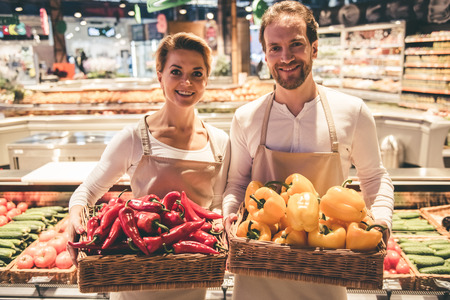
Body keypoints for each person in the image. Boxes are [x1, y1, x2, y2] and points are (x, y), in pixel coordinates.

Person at [222, 2, 394, 300]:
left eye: (296, 45)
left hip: (324, 277)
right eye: (274, 48)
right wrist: (227, 216)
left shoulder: (352, 112)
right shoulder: (246, 117)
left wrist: (381, 221)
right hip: (255, 278)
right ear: (264, 54)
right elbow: (236, 184)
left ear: (314, 48)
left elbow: (375, 178)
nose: (285, 57)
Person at [67, 32, 230, 300]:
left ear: (206, 80)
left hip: (194, 281)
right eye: (176, 72)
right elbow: (86, 192)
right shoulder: (134, 137)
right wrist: (74, 219)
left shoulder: (219, 142)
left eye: (197, 73)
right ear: (160, 76)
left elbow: (217, 207)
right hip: (138, 281)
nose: (186, 82)